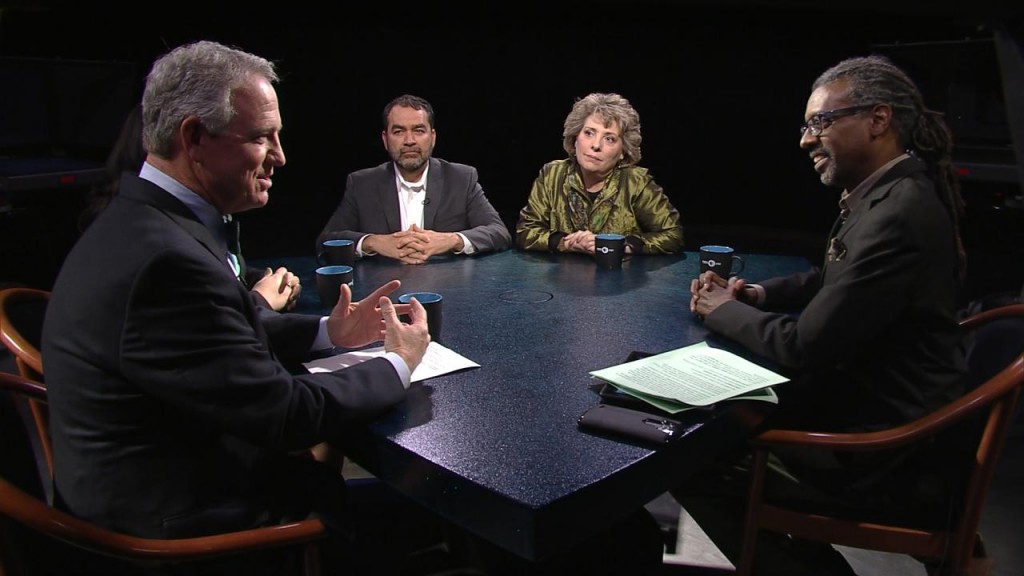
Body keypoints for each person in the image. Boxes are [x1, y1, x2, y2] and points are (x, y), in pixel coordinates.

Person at [41, 40, 438, 575]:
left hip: (180, 471)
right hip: (190, 528)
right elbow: (288, 415)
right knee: (430, 517)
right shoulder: (164, 261)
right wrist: (398, 362)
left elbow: (220, 331)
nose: (280, 156)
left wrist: (330, 332)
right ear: (194, 138)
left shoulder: (151, 221)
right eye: (261, 137)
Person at [673, 55, 969, 575]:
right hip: (889, 423)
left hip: (884, 458)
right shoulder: (892, 192)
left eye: (820, 123)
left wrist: (720, 308)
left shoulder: (897, 213)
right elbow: (832, 278)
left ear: (878, 120)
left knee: (695, 460)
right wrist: (759, 295)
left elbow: (802, 346)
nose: (806, 140)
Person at [78, 103, 303, 312]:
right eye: (258, 138)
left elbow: (224, 274)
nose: (279, 157)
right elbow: (210, 324)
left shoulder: (195, 214)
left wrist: (265, 282)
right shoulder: (154, 241)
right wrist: (260, 301)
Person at [316, 94, 511, 264]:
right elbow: (326, 241)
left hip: (450, 290)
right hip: (383, 290)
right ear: (385, 139)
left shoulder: (461, 178)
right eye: (399, 131)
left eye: (418, 130)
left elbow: (499, 233)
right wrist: (373, 242)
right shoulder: (362, 184)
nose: (409, 141)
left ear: (432, 137)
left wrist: (452, 240)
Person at [514, 92, 684, 255]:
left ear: (623, 151)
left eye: (609, 138)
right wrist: (567, 243)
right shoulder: (552, 174)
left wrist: (618, 246)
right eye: (589, 133)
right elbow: (525, 232)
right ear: (575, 138)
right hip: (561, 279)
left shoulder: (635, 182)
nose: (596, 145)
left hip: (620, 280)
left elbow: (673, 235)